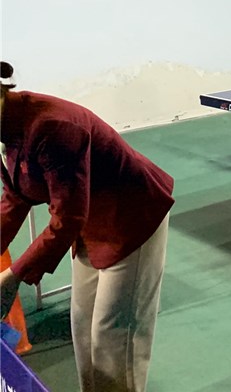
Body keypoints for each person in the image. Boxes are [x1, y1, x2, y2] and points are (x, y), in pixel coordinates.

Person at [0, 61, 173, 392]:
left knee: (113, 341)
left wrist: (13, 276)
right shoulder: (6, 128)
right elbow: (15, 197)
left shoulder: (51, 126)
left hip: (131, 216)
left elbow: (66, 218)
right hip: (87, 219)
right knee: (83, 330)